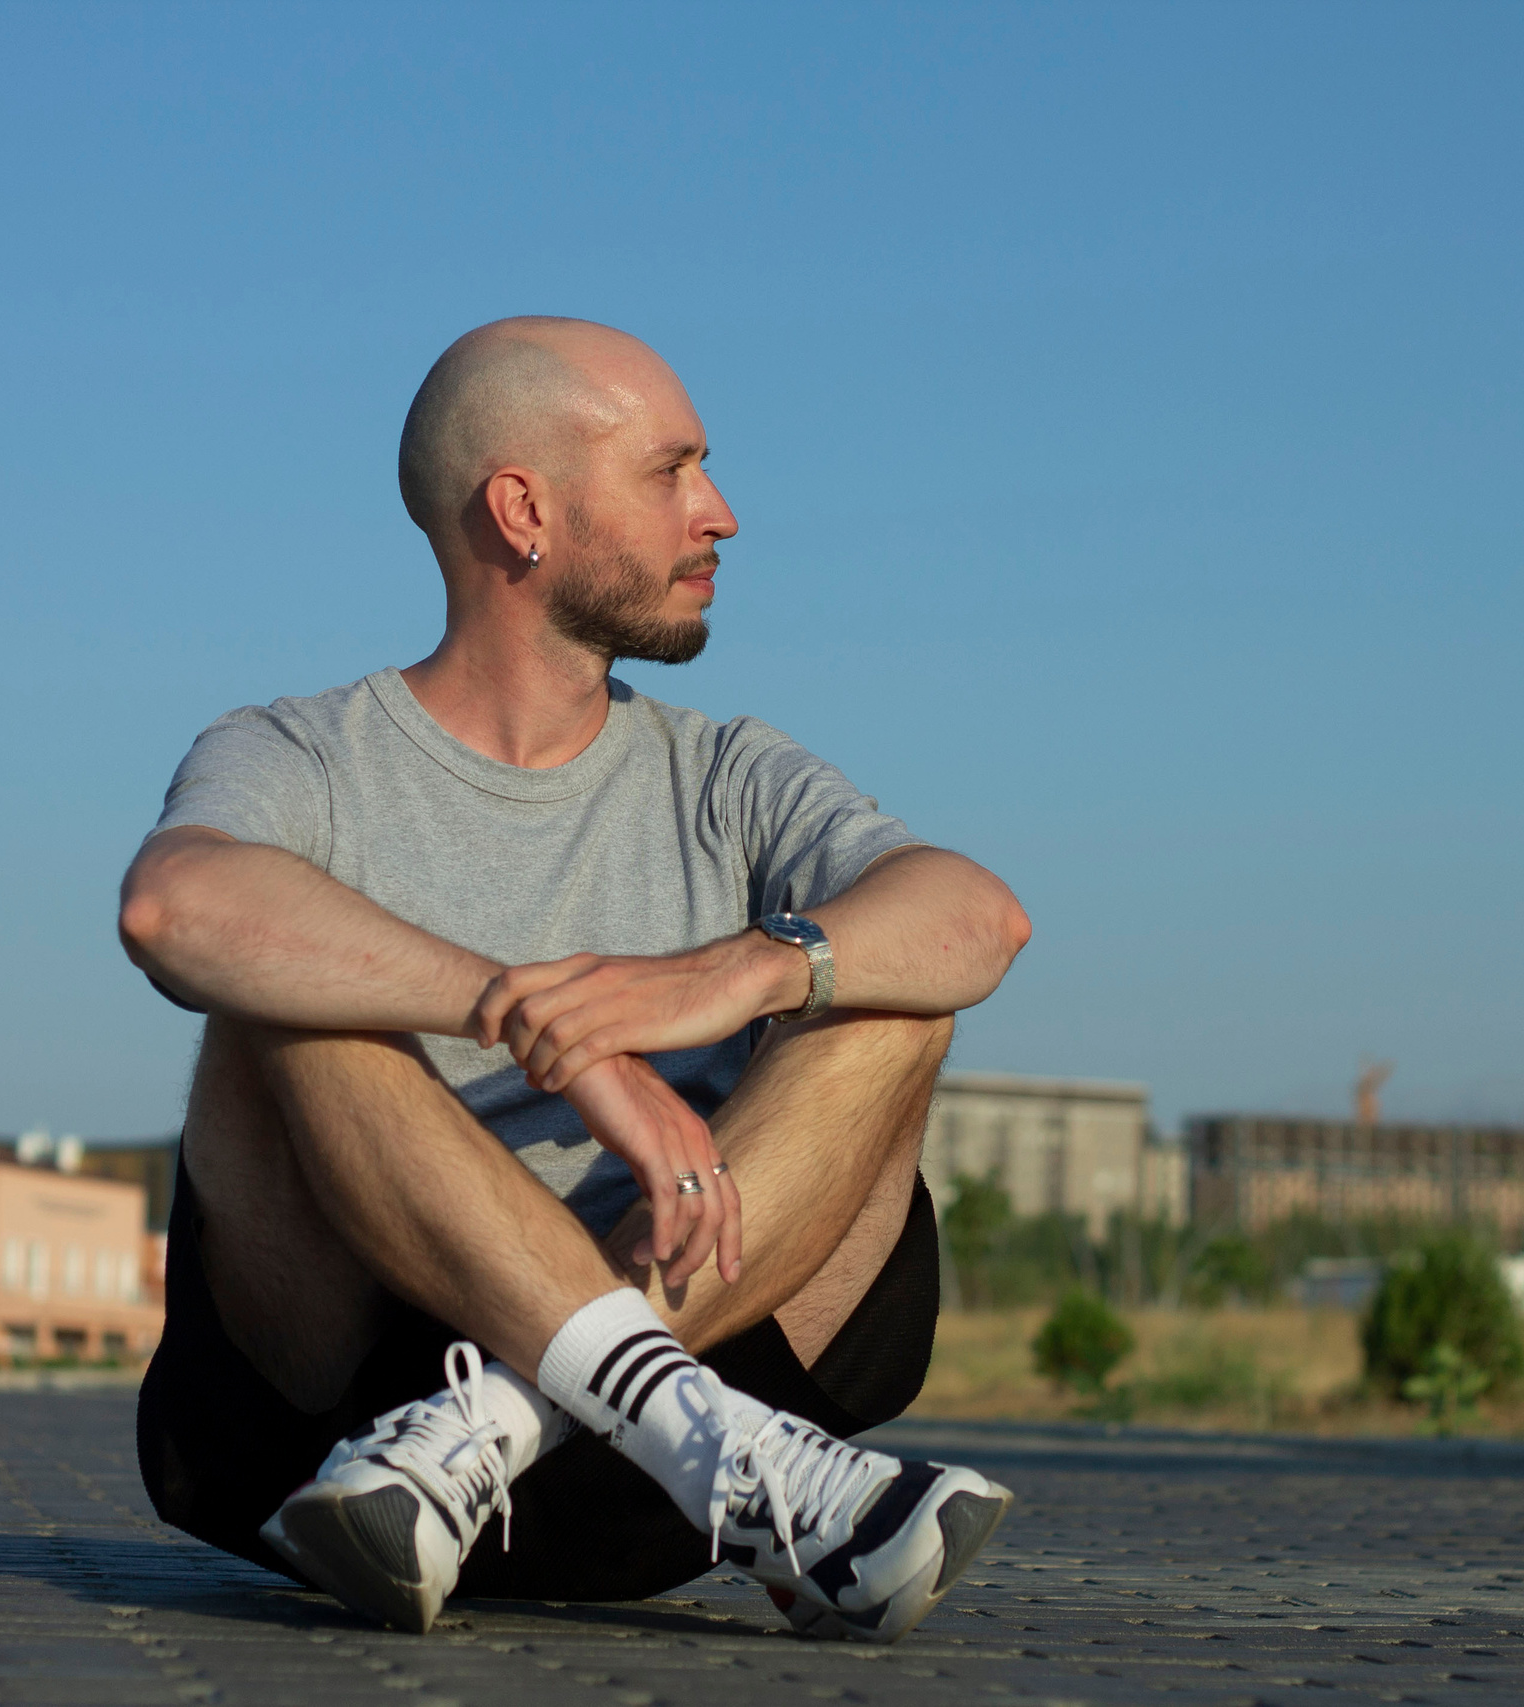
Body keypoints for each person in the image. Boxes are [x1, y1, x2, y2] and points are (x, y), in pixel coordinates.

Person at [119, 316, 1034, 1642]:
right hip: (347, 1429)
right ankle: (694, 1447)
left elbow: (979, 919)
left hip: (651, 1439)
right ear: (524, 509)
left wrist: (733, 976)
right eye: (672, 472)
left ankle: (505, 1418)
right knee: (291, 990)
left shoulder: (725, 773)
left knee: (887, 991)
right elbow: (173, 904)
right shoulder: (298, 755)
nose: (718, 513)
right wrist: (546, 1028)